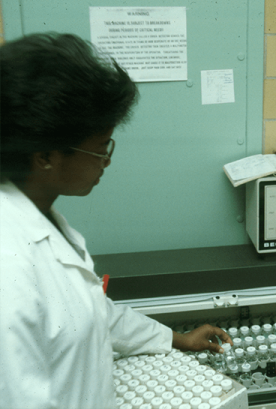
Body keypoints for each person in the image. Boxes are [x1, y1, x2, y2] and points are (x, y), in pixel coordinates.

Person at [0, 33, 232, 408]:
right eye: (100, 147)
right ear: (45, 155)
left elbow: (91, 315)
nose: (106, 161)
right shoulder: (8, 266)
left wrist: (176, 338)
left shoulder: (44, 222)